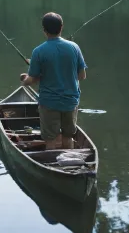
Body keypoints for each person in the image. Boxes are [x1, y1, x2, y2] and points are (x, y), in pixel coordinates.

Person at [19, 12, 87, 150]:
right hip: (70, 101)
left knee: (50, 139)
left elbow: (32, 79)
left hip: (49, 103)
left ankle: (52, 164)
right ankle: (69, 164)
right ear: (61, 27)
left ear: (44, 30)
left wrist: (24, 80)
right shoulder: (74, 47)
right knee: (68, 136)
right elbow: (82, 76)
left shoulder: (38, 51)